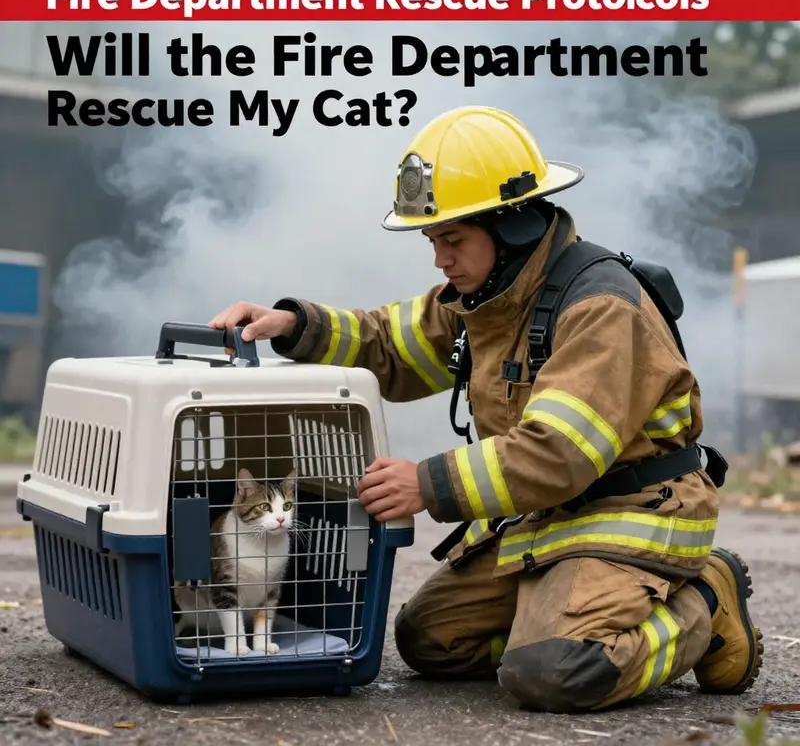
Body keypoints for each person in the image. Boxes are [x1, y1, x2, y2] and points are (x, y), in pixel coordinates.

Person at [208, 105, 763, 712]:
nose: (439, 259)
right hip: (545, 518)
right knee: (430, 642)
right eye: (431, 239)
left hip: (629, 512)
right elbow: (390, 345)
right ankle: (561, 606)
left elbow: (558, 453)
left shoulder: (600, 308)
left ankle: (704, 598)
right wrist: (293, 325)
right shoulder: (487, 297)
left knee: (555, 670)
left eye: (452, 238)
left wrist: (427, 483)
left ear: (513, 226)